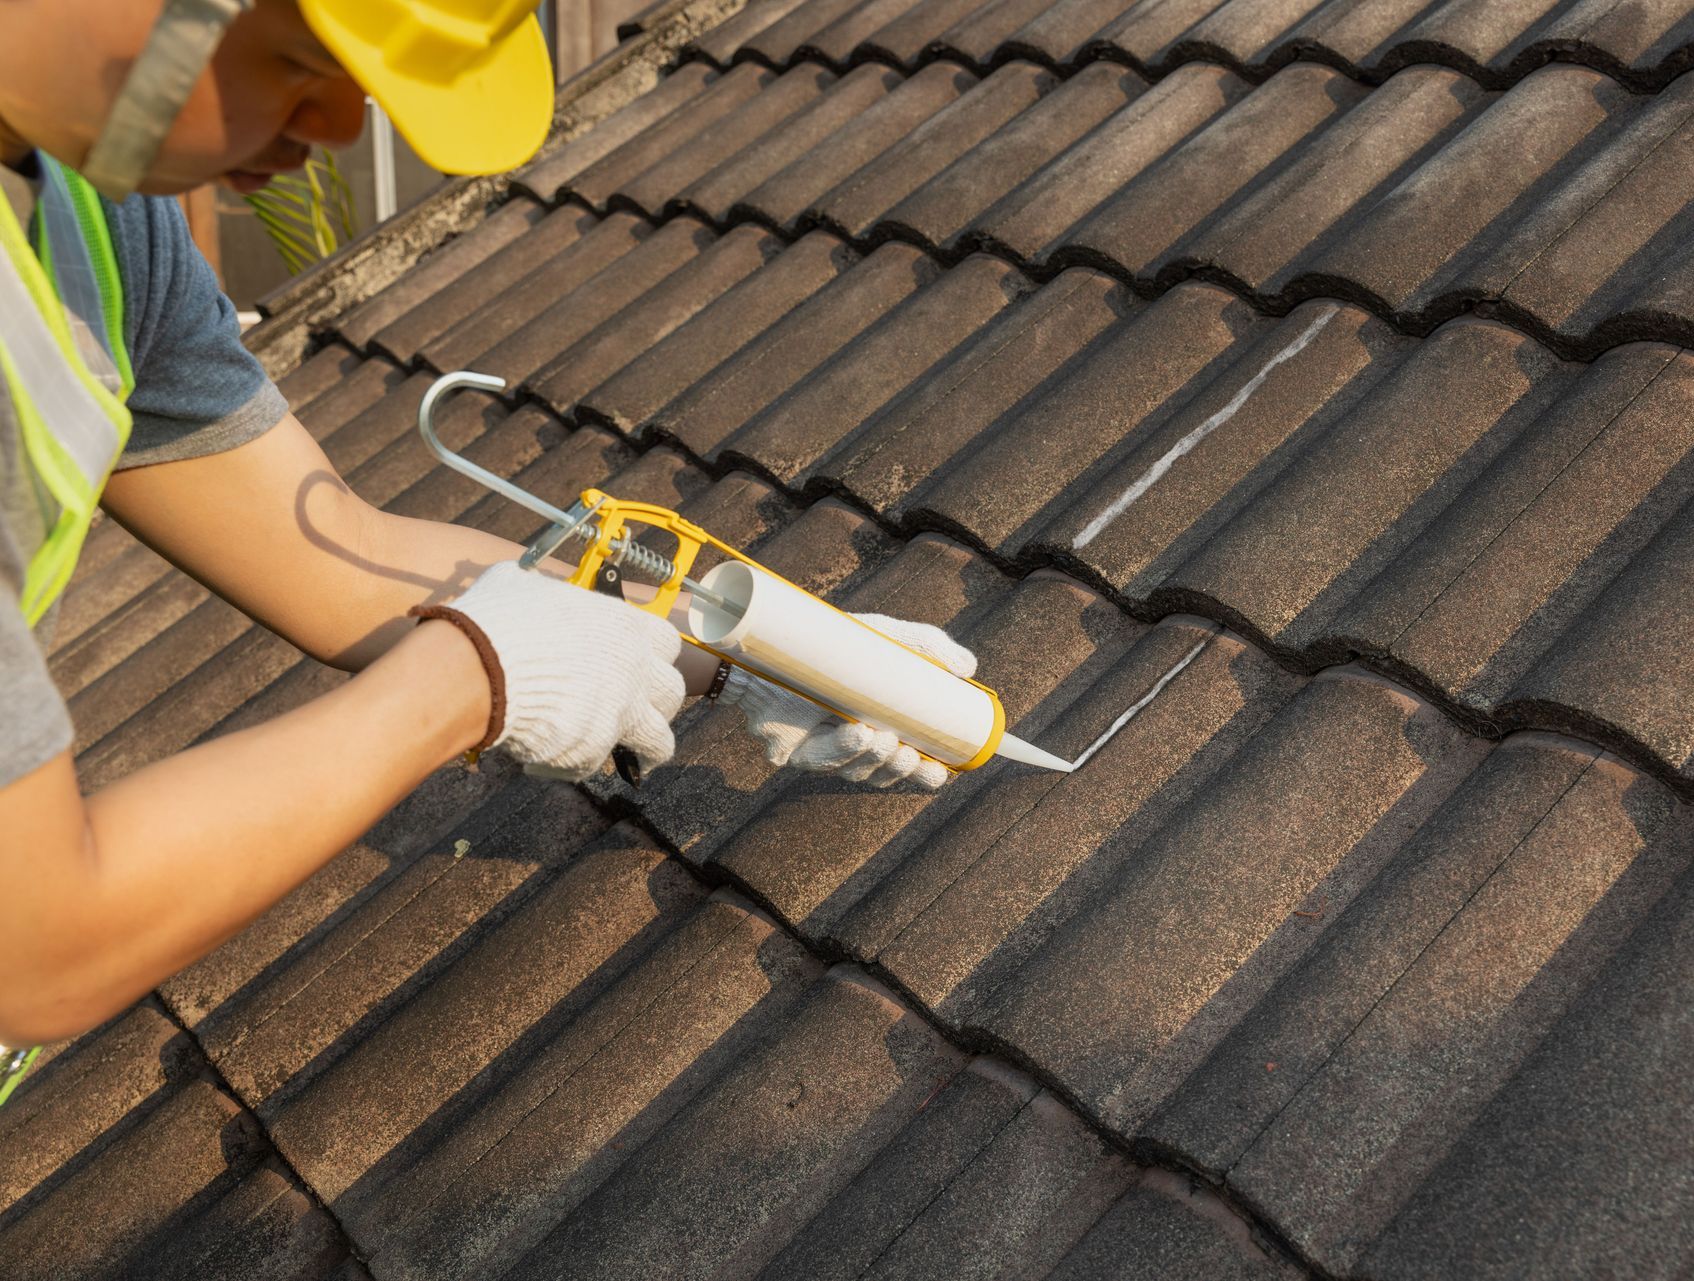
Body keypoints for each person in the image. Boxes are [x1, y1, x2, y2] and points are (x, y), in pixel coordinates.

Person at [0, 0, 971, 1083]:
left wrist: (737, 657)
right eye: (304, 62)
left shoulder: (97, 222)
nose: (333, 126)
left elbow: (333, 550)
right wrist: (464, 679)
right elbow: (36, 952)